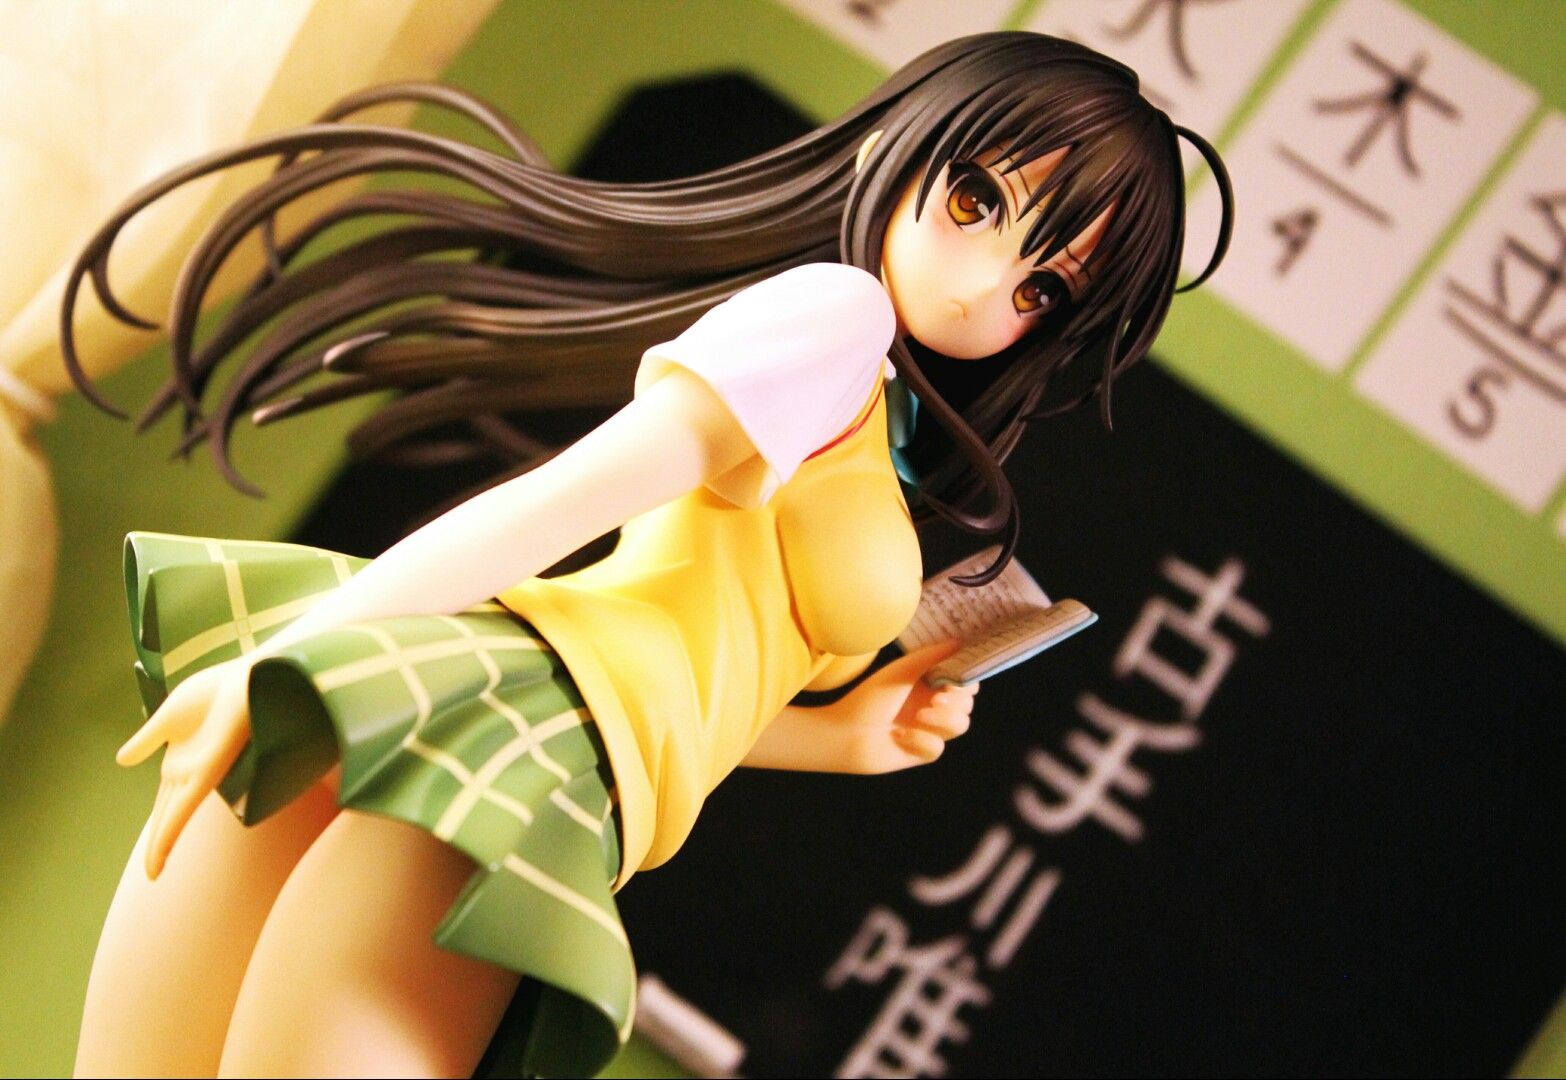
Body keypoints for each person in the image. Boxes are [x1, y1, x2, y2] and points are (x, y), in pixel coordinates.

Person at [63, 31, 1233, 1079]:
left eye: (1041, 286)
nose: (980, 288)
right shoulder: (836, 318)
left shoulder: (871, 404)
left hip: (543, 742)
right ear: (902, 144)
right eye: (975, 200)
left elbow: (683, 679)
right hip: (530, 749)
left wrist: (837, 735)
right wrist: (285, 660)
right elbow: (560, 504)